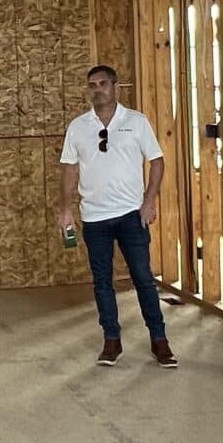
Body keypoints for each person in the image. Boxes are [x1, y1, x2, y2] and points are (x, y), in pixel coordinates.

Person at [57, 65, 177, 368]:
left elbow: (157, 161)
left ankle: (159, 340)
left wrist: (149, 201)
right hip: (94, 218)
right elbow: (69, 168)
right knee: (102, 282)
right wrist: (65, 208)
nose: (97, 89)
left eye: (103, 83)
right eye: (92, 85)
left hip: (130, 216)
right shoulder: (78, 126)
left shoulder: (135, 122)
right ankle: (111, 340)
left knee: (143, 279)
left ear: (115, 86)